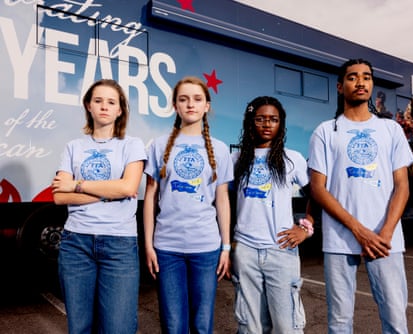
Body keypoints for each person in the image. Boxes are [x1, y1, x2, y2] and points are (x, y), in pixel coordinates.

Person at [308, 59, 413, 333]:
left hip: (385, 239)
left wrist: (386, 232)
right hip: (340, 240)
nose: (361, 82)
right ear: (340, 87)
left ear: (372, 84)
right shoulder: (325, 131)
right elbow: (318, 189)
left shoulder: (390, 130)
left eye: (366, 77)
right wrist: (358, 230)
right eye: (353, 77)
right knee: (340, 323)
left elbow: (402, 186)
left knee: (395, 319)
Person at [51, 79, 146, 333]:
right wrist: (110, 191)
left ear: (120, 110)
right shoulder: (73, 147)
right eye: (98, 100)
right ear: (88, 106)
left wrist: (77, 185)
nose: (104, 106)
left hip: (119, 245)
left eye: (111, 102)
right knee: (80, 327)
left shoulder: (132, 145)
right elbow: (60, 196)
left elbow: (128, 189)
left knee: (119, 327)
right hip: (76, 243)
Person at [143, 76, 233, 334]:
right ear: (175, 106)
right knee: (173, 326)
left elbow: (223, 199)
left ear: (207, 105)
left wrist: (225, 247)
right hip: (167, 248)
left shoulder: (219, 148)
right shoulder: (159, 145)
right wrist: (149, 245)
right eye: (183, 99)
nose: (190, 104)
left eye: (197, 99)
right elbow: (150, 196)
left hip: (206, 248)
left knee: (202, 325)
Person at [231, 96, 312, 333]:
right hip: (245, 252)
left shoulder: (292, 159)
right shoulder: (236, 160)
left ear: (281, 125)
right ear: (250, 123)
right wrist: (227, 245)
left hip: (281, 250)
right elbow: (222, 202)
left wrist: (305, 228)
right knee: (250, 327)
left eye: (273, 120)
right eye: (260, 119)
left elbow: (315, 195)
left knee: (286, 327)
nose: (267, 124)